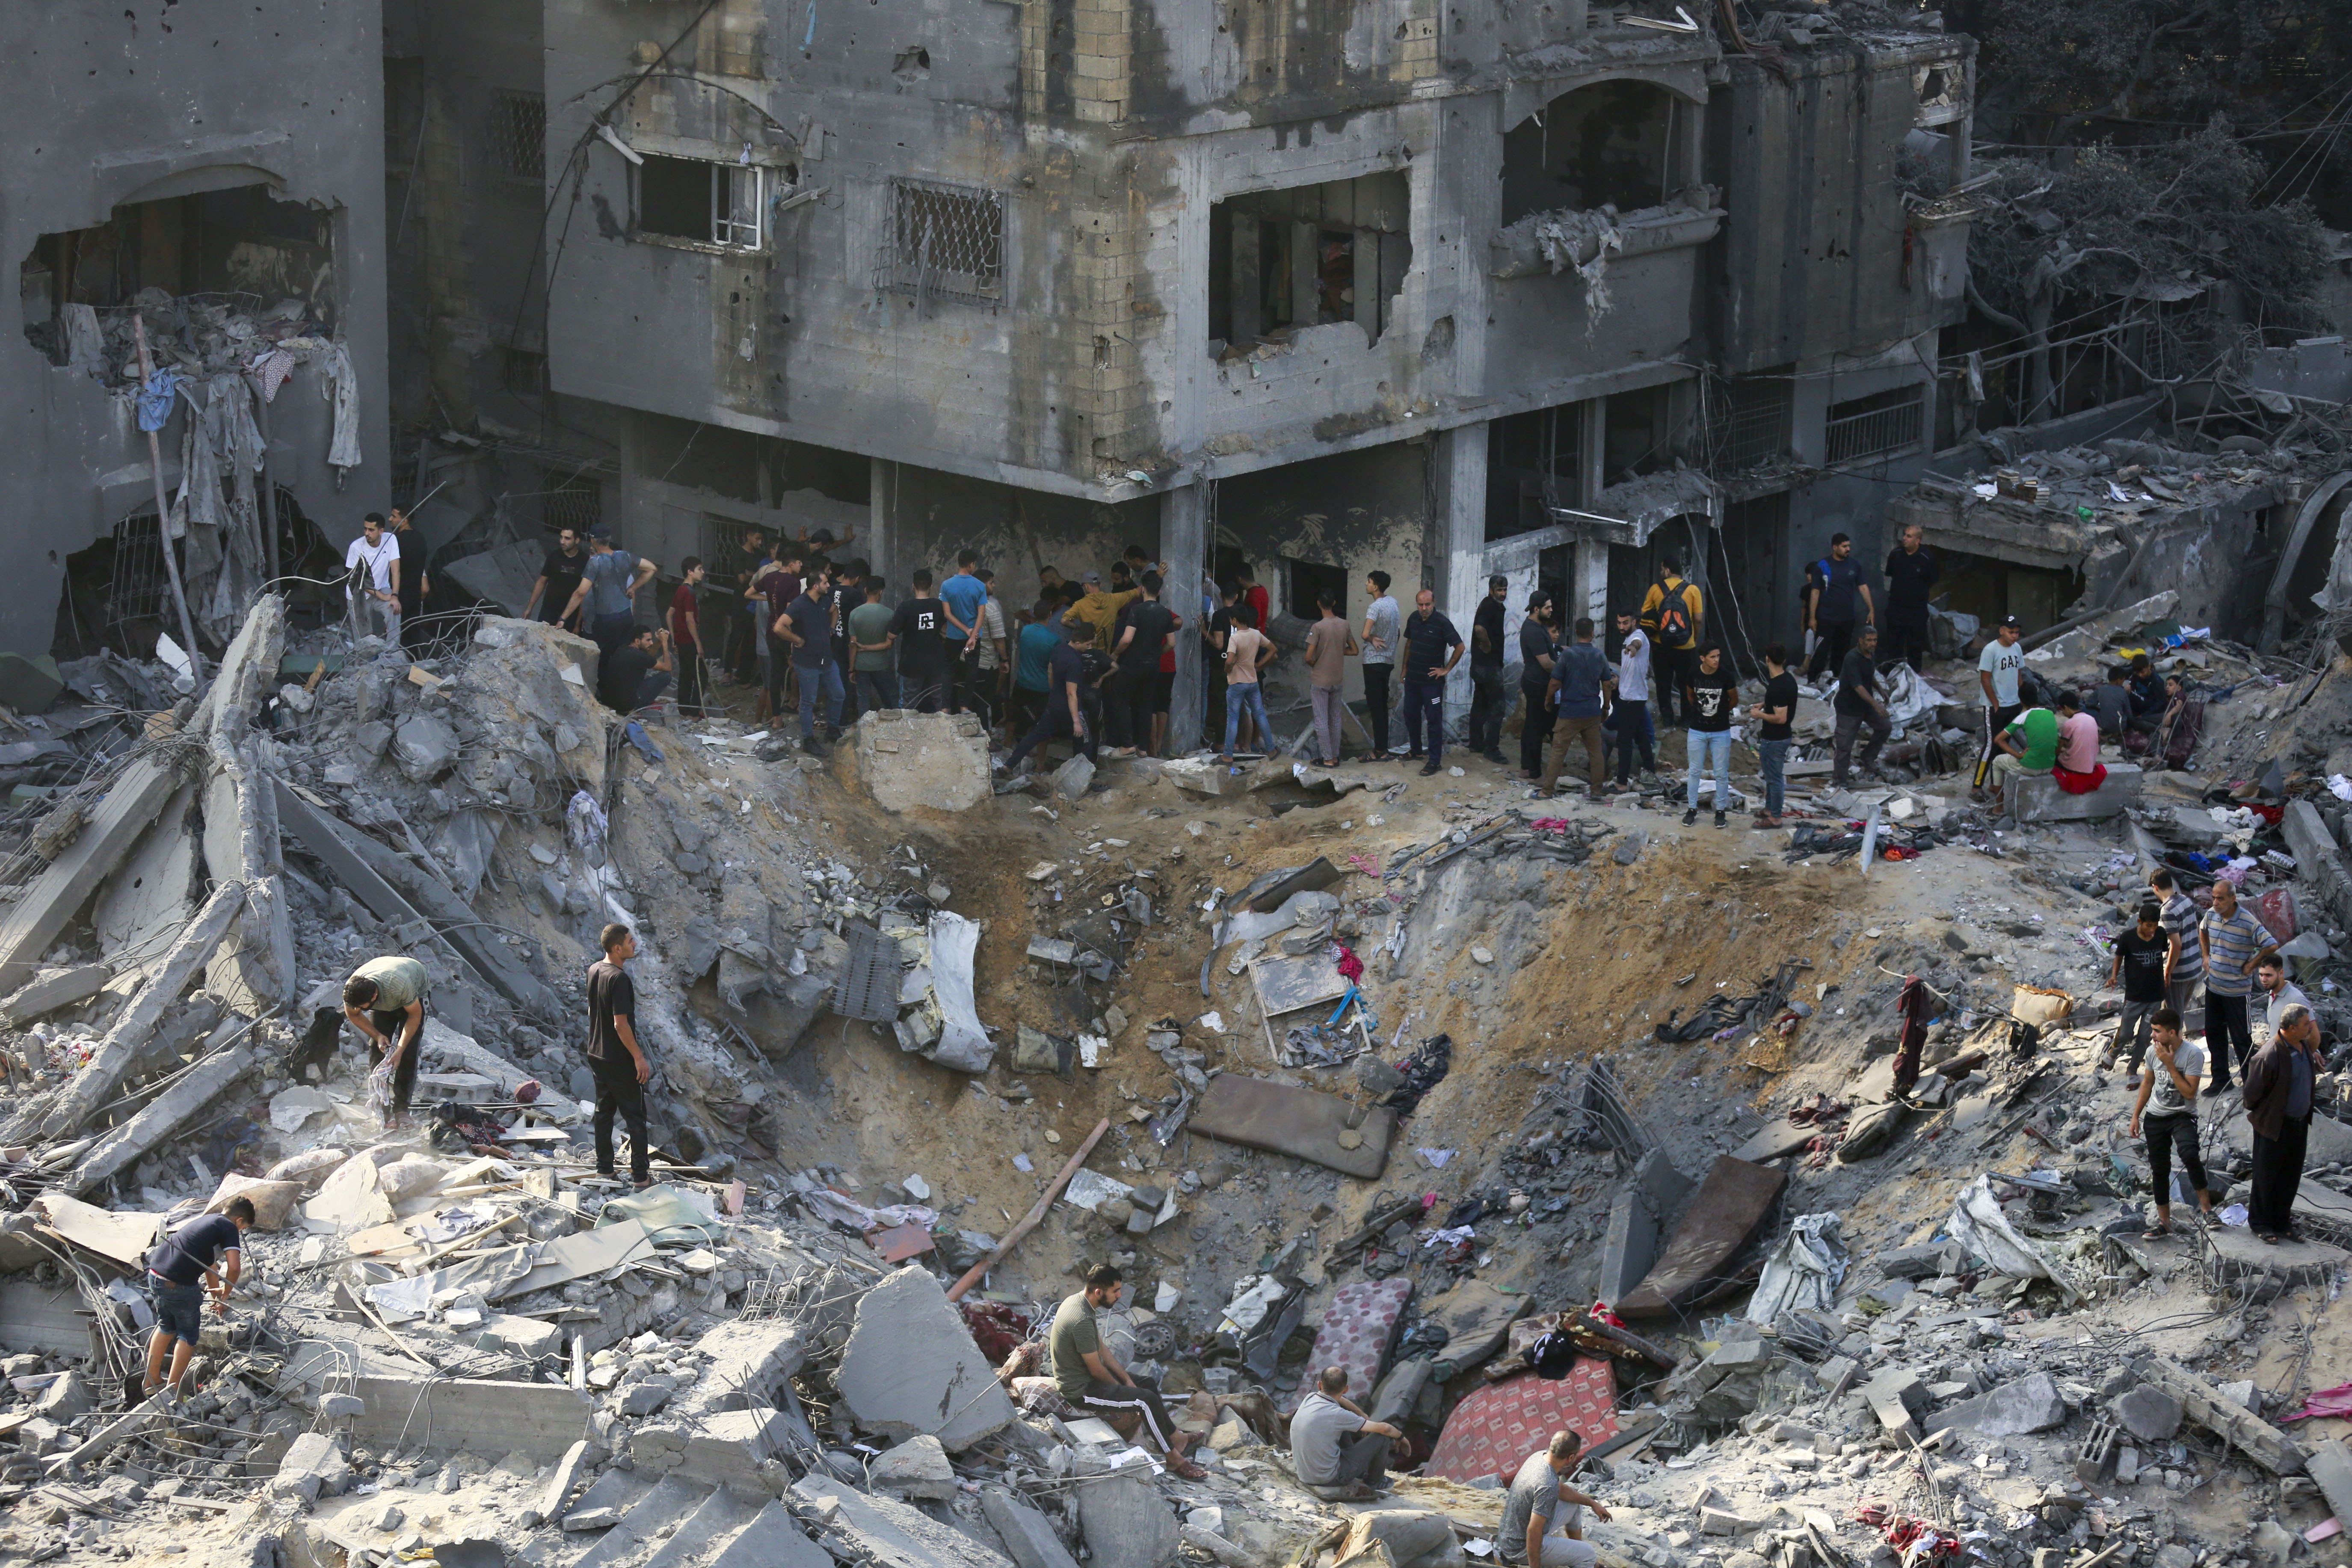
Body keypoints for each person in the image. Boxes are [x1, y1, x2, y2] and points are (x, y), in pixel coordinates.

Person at [1049, 1264, 1206, 1478]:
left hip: (1089, 1377)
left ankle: (1176, 1437)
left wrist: (1126, 1380)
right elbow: (1096, 1370)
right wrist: (1124, 1390)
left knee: (1147, 1384)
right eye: (1115, 1291)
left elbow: (1102, 1349)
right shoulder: (1081, 1319)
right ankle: (1173, 1460)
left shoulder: (1080, 1302)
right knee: (1144, 1400)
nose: (1120, 1295)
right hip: (1080, 1389)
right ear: (1098, 1292)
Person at [142, 1198, 255, 1399]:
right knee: (188, 1336)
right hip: (178, 1284)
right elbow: (235, 1267)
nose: (239, 1233)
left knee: (166, 1326)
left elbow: (210, 1266)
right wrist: (227, 1293)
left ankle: (151, 1381)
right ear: (239, 1221)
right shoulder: (229, 1227)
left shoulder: (209, 1222)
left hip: (155, 1276)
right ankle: (173, 1392)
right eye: (243, 1228)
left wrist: (217, 1299)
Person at [2129, 1008, 2212, 1239]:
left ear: (2172, 1033)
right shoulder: (2152, 1052)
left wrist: (2171, 1065)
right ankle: (2164, 1223)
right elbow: (2147, 1083)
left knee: (2190, 1155)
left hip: (2182, 1115)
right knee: (2160, 1169)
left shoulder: (2193, 1054)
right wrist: (2136, 1115)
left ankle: (2207, 1211)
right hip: (2156, 1118)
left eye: (2157, 1031)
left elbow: (2190, 1093)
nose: (2152, 1036)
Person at [2245, 1002, 2322, 1244]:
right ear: (2289, 1029)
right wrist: (2270, 1114)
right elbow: (2251, 1096)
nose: (2310, 1028)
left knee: (2290, 1176)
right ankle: (2261, 1224)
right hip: (2275, 1126)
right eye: (2304, 1025)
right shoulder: (2269, 1056)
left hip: (2299, 1124)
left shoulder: (2304, 1048)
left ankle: (2282, 1222)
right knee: (2267, 1177)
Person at [586, 922, 654, 1189]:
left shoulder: (594, 970)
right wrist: (638, 1058)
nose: (634, 944)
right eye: (630, 941)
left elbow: (593, 1011)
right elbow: (620, 1024)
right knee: (635, 1117)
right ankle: (641, 1178)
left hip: (597, 1053)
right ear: (617, 948)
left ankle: (605, 1171)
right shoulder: (619, 979)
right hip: (619, 1059)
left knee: (603, 1113)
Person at [1498, 1430, 1612, 1568]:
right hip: (1519, 1549)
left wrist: (1592, 1503)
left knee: (1575, 1504)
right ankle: (1583, 1560)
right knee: (1589, 1555)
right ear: (1571, 1458)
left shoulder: (1538, 1457)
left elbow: (1561, 1490)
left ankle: (1576, 1555)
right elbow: (1533, 1531)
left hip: (1510, 1536)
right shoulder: (1547, 1484)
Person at [1003, 617, 1101, 772]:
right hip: (1072, 710)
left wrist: (1054, 690)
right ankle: (1085, 776)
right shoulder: (1075, 662)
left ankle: (1009, 766)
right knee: (1086, 742)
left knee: (1034, 736)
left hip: (1054, 706)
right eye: (1087, 644)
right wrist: (1076, 720)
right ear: (1078, 643)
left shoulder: (1059, 649)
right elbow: (1072, 694)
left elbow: (1050, 670)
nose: (1088, 647)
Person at [344, 954, 430, 1128]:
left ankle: (402, 1108)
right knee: (378, 1049)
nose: (359, 1009)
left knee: (407, 1052)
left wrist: (399, 1049)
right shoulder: (352, 991)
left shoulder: (400, 986)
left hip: (412, 991)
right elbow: (353, 1014)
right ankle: (381, 1106)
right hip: (384, 985)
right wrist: (378, 1036)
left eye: (363, 1007)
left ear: (374, 997)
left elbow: (414, 1016)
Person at [1290, 1366, 1401, 1498]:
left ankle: (1357, 1471)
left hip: (1305, 1474)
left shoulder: (1310, 1398)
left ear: (1320, 1385)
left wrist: (1362, 1415)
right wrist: (1401, 1438)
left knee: (1340, 1428)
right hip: (1328, 1479)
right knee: (1382, 1437)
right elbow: (1386, 1429)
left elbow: (1341, 1400)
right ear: (1346, 1389)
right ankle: (1375, 1482)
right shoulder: (1339, 1415)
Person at [2201, 880, 2266, 1093]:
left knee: (2241, 1038)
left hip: (2237, 992)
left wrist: (2252, 965)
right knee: (2214, 1034)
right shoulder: (2212, 914)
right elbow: (2203, 930)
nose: (2216, 902)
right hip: (2214, 988)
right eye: (2214, 897)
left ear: (2233, 899)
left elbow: (2271, 944)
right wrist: (2206, 956)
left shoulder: (2248, 922)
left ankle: (2252, 1084)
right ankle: (2221, 1079)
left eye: (2221, 898)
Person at [1110, 571, 1180, 756]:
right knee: (1146, 705)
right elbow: (1172, 643)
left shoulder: (1137, 611)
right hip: (1153, 666)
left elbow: (1127, 639)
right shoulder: (1165, 614)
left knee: (1121, 700)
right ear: (1159, 592)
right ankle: (1143, 749)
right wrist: (1157, 653)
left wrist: (1115, 655)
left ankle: (1126, 746)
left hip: (1134, 664)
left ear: (1142, 589)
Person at [778, 567, 844, 753]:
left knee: (839, 694)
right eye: (825, 583)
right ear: (816, 586)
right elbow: (779, 627)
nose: (829, 585)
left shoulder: (824, 601)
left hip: (827, 660)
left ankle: (832, 730)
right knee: (808, 702)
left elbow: (835, 610)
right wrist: (797, 640)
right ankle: (809, 740)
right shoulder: (799, 605)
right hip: (807, 663)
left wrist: (832, 629)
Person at [1545, 617, 1611, 801]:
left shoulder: (1568, 655)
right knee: (1596, 753)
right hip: (1591, 712)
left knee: (1558, 751)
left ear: (1576, 633)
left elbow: (1555, 682)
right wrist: (1606, 707)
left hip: (1569, 712)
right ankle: (1596, 791)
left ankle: (1547, 791)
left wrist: (1548, 699)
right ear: (1592, 633)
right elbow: (1607, 684)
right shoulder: (1600, 656)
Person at [2103, 902, 2171, 1077]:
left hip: (2156, 996)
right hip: (2135, 996)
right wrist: (2113, 976)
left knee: (2145, 1036)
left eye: (2156, 925)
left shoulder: (2161, 935)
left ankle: (2132, 1070)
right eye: (2149, 926)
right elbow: (2119, 957)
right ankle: (2113, 1053)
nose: (2153, 930)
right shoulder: (2128, 938)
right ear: (2140, 922)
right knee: (2126, 1033)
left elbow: (2164, 953)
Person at [564, 528, 658, 656]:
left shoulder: (596, 564)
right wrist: (633, 588)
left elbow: (581, 594)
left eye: (593, 552)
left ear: (594, 541)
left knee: (599, 657)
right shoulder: (625, 558)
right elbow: (652, 568)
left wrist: (562, 618)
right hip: (621, 619)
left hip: (605, 622)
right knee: (617, 655)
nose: (592, 556)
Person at [1402, 587, 1463, 776]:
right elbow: (1409, 644)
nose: (1424, 608)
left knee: (1433, 721)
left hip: (1432, 683)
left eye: (1427, 604)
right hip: (1413, 678)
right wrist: (1404, 669)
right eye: (1421, 604)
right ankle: (1416, 749)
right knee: (1410, 713)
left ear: (1434, 603)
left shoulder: (1442, 623)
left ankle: (1434, 761)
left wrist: (1446, 669)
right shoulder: (1413, 618)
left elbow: (1460, 647)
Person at [1638, 556, 1703, 726]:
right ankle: (1687, 720)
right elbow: (1698, 619)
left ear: (1667, 570)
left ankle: (1667, 720)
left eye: (1662, 569)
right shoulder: (1693, 590)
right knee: (1687, 684)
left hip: (1662, 645)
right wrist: (1693, 638)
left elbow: (1646, 614)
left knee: (1663, 684)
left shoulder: (1655, 589)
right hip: (1687, 646)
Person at [1681, 643, 1738, 828]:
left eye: (1718, 656)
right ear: (1703, 658)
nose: (1717, 660)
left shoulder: (1726, 675)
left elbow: (1734, 699)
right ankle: (1691, 809)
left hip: (1720, 731)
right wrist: (1700, 713)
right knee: (1694, 771)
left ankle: (1720, 811)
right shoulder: (1693, 674)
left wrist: (1720, 713)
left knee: (1721, 773)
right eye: (1713, 657)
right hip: (1697, 730)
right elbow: (1690, 695)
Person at [1803, 532, 1873, 681]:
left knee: (1841, 653)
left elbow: (1863, 587)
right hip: (1826, 618)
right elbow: (1815, 592)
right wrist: (1812, 618)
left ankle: (1835, 681)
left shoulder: (1854, 565)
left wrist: (1871, 609)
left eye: (1849, 546)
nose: (1848, 549)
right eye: (1844, 547)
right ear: (1835, 547)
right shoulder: (1822, 566)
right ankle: (1812, 681)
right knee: (1820, 652)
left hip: (1847, 618)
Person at [1972, 615, 2027, 798]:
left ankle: (1997, 785)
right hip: (1995, 706)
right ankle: (1977, 785)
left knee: (2005, 745)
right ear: (2002, 631)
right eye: (2011, 632)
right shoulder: (1991, 650)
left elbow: (2019, 674)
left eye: (2017, 633)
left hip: (2014, 703)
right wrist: (1995, 704)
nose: (2015, 636)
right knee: (1991, 745)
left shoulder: (2017, 648)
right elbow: (1985, 680)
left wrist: (2022, 699)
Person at [1303, 589, 1358, 768]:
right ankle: (1335, 756)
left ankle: (1327, 759)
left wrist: (1318, 661)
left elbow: (1308, 657)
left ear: (1319, 604)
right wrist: (1335, 651)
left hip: (1321, 679)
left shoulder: (1317, 627)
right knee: (1335, 718)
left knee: (1321, 720)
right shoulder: (1345, 624)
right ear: (1334, 603)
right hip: (1337, 678)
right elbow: (1354, 650)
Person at [1831, 625, 1890, 788]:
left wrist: (1880, 689)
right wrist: (1876, 704)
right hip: (1848, 709)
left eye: (1875, 640)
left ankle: (1868, 757)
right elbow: (1858, 686)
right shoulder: (1852, 658)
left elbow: (1869, 676)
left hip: (1865, 706)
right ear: (1861, 641)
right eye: (1869, 641)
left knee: (1885, 727)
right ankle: (1840, 782)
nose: (1873, 644)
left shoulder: (1870, 656)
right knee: (1844, 747)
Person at [2147, 868, 2206, 1024]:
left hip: (2179, 972)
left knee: (2171, 1019)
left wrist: (2167, 972)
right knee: (2177, 1013)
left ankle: (2173, 1047)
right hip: (2194, 967)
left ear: (2156, 888)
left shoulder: (2167, 911)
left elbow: (2176, 945)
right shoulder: (2186, 900)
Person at [1220, 603, 1276, 763]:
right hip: (1253, 681)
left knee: (1233, 719)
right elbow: (1273, 649)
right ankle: (1271, 750)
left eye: (1231, 619)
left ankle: (1228, 755)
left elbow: (1230, 660)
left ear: (1235, 620)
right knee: (1260, 715)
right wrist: (1259, 665)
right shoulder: (1256, 634)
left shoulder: (1235, 638)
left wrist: (1227, 669)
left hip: (1237, 683)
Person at [1751, 642, 1799, 827]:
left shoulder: (1778, 686)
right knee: (1771, 776)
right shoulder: (1786, 680)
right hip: (1777, 737)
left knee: (1775, 778)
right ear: (1784, 660)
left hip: (1775, 738)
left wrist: (1759, 715)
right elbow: (1780, 702)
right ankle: (1770, 809)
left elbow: (1781, 718)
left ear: (1767, 659)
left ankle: (1775, 817)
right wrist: (1764, 705)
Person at [1882, 523, 1939, 670]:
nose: (1904, 539)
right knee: (1894, 645)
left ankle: (1914, 675)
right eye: (1904, 535)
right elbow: (1891, 575)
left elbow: (1933, 580)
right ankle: (1893, 675)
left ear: (1918, 540)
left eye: (1909, 536)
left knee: (1915, 646)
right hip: (1896, 608)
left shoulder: (1926, 558)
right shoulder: (1896, 555)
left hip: (1917, 610)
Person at [1610, 608, 1657, 787]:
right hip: (1629, 696)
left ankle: (1622, 782)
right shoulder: (1627, 638)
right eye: (1620, 623)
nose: (1622, 626)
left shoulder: (1639, 636)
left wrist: (1633, 648)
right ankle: (1650, 770)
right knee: (1640, 736)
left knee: (1624, 740)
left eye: (1626, 623)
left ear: (1634, 622)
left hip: (1633, 698)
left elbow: (1637, 644)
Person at [893, 569, 951, 712]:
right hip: (936, 661)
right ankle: (945, 731)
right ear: (931, 587)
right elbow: (946, 631)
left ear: (914, 586)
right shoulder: (939, 606)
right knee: (940, 701)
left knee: (908, 703)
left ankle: (907, 732)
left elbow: (891, 635)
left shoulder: (905, 607)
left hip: (911, 663)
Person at [1469, 575, 1511, 765]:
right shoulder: (1489, 605)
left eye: (1504, 590)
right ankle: (1491, 749)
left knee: (1480, 703)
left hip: (1482, 666)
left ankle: (1476, 743)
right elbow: (1480, 629)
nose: (1502, 594)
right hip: (1488, 666)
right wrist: (1487, 646)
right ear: (1491, 590)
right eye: (1499, 590)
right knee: (1497, 707)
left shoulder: (1493, 605)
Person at [941, 551, 988, 716]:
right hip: (973, 639)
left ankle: (945, 707)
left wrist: (965, 630)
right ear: (972, 565)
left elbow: (947, 614)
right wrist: (973, 634)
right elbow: (981, 613)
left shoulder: (946, 585)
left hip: (954, 636)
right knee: (971, 669)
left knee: (949, 669)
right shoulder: (980, 586)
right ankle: (965, 707)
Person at [1517, 593, 1558, 781]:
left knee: (1535, 725)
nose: (1551, 610)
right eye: (1547, 608)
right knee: (1535, 728)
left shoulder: (1538, 626)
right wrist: (1567, 672)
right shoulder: (1532, 631)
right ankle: (1532, 770)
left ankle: (1529, 767)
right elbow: (1546, 663)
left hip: (1539, 682)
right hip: (1537, 684)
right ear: (1537, 609)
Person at [1361, 571, 1401, 757]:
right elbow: (1398, 632)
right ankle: (1383, 748)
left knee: (1375, 707)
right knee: (1382, 706)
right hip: (1388, 661)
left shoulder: (1375, 607)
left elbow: (1364, 634)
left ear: (1376, 586)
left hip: (1373, 661)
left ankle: (1379, 751)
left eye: (1369, 582)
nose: (1366, 584)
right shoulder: (1393, 602)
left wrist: (1371, 639)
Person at [345, 512, 402, 641]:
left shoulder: (390, 539)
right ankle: (364, 662)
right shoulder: (356, 547)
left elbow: (396, 570)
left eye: (371, 530)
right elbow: (356, 581)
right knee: (363, 640)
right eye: (365, 529)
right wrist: (382, 596)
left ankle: (392, 653)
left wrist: (395, 596)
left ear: (381, 531)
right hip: (358, 595)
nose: (367, 533)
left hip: (381, 588)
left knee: (394, 608)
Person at [847, 576, 899, 714]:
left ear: (865, 590)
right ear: (881, 592)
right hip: (881, 664)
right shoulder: (889, 614)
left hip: (861, 665)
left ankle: (864, 728)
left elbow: (853, 645)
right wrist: (869, 648)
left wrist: (852, 669)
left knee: (863, 699)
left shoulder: (855, 614)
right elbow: (889, 645)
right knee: (891, 698)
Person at [1010, 598, 1060, 741]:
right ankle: (1040, 761)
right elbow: (1054, 666)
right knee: (1040, 723)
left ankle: (1008, 745)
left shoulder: (1025, 631)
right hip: (1042, 687)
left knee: (1014, 715)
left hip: (1022, 682)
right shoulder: (1054, 640)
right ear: (1050, 615)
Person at [1988, 699, 2058, 800]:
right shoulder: (2050, 714)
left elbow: (1998, 740)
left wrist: (2018, 755)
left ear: (2021, 702)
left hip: (2031, 767)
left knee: (1997, 762)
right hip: (2049, 766)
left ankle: (1999, 806)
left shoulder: (2024, 716)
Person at [598, 625, 675, 713]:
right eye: (648, 640)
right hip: (626, 706)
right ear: (638, 641)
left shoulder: (623, 649)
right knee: (666, 676)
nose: (651, 643)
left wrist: (659, 642)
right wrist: (665, 643)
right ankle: (635, 709)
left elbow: (648, 658)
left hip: (609, 700)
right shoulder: (640, 657)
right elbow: (668, 668)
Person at [527, 525, 589, 631]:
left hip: (571, 613)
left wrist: (578, 625)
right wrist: (530, 608)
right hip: (549, 611)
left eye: (567, 538)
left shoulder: (585, 561)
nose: (562, 542)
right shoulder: (554, 557)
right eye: (561, 537)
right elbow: (542, 582)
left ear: (577, 540)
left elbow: (583, 595)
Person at [668, 557, 708, 717]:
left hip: (681, 639)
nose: (703, 572)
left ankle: (683, 710)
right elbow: (690, 619)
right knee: (700, 676)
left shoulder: (680, 590)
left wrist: (674, 637)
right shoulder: (690, 592)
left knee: (685, 675)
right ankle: (693, 712)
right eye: (700, 569)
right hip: (689, 640)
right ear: (690, 572)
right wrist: (698, 644)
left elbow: (669, 614)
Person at [972, 568, 1010, 735]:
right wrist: (1004, 659)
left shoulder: (965, 602)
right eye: (991, 582)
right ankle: (985, 738)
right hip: (987, 663)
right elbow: (999, 638)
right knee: (985, 703)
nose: (994, 586)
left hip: (966, 660)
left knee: (969, 700)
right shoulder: (990, 607)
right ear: (982, 585)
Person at [388, 505, 431, 650]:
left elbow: (395, 569)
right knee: (412, 638)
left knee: (395, 638)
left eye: (394, 516)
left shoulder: (396, 541)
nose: (391, 519)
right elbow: (425, 587)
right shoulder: (421, 539)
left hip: (399, 595)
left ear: (405, 520)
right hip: (415, 597)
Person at [2052, 688, 2104, 792]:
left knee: (2054, 758)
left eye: (2062, 710)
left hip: (2072, 767)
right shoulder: (2091, 719)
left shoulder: (2069, 723)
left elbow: (2058, 749)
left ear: (2066, 708)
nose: (2063, 713)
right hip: (2090, 766)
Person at [2257, 949, 2312, 1046]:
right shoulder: (2273, 995)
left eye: (2268, 975)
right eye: (2261, 975)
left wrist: (2308, 1056)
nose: (2263, 980)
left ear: (2281, 973)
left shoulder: (2296, 999)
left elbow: (2313, 1034)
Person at [2088, 666, 2134, 739]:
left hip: (2104, 725)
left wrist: (2100, 708)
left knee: (2086, 710)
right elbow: (2129, 714)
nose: (2123, 683)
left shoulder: (2101, 689)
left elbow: (2089, 703)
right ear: (2118, 680)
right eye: (2123, 681)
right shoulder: (2123, 692)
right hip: (2121, 726)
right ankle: (2116, 734)